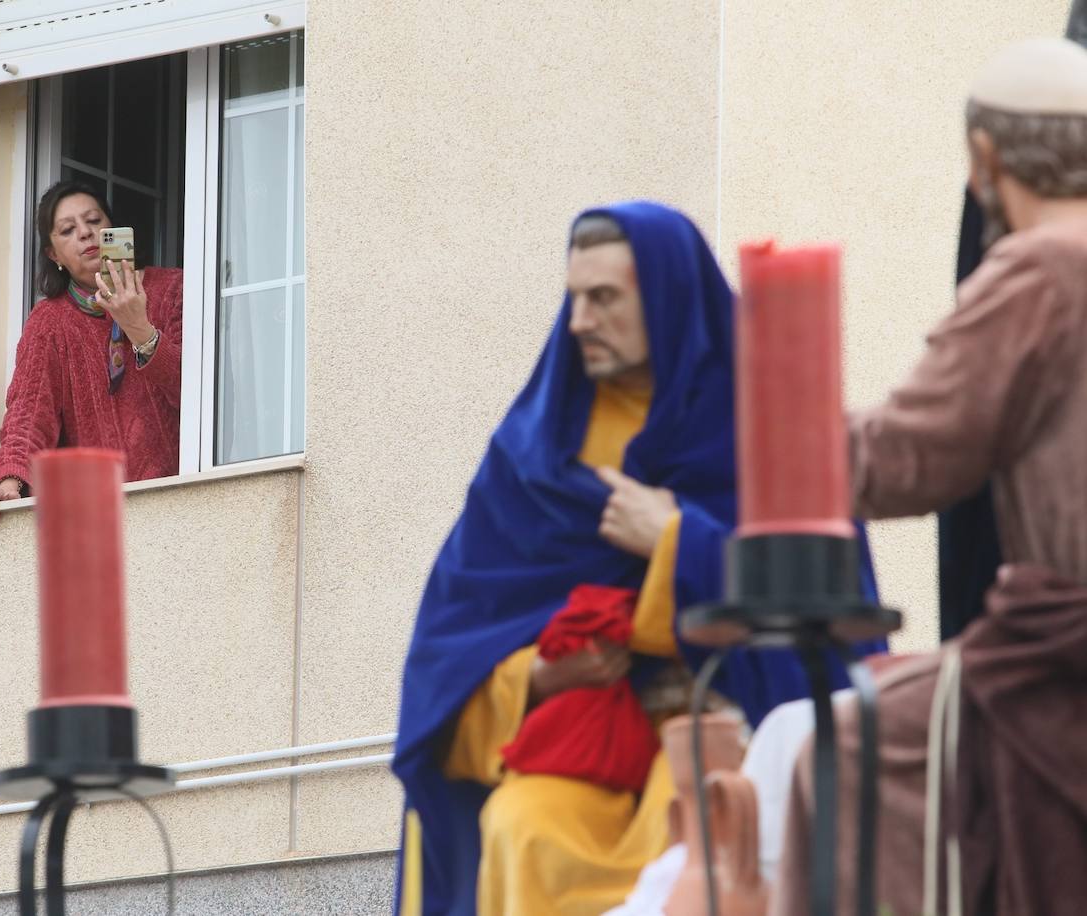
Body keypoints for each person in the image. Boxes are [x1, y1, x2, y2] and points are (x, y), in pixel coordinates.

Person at [392, 201, 884, 916]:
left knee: (691, 841)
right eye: (574, 298)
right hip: (581, 739)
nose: (581, 321)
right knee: (520, 827)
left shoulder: (768, 423)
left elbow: (828, 612)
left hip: (725, 722)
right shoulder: (533, 454)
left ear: (667, 300)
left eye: (604, 298)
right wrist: (537, 675)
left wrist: (679, 541)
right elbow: (451, 639)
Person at [774, 37, 1087, 916]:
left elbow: (911, 458)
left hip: (1060, 669)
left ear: (986, 160)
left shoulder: (1037, 271)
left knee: (841, 758)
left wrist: (775, 436)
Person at [0, 181, 183, 520]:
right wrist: (10, 482)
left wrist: (139, 329)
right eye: (68, 230)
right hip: (96, 515)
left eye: (95, 221)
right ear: (53, 254)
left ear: (114, 229)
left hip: (182, 500)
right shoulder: (50, 322)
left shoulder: (173, 288)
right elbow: (29, 410)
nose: (85, 233)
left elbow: (199, 395)